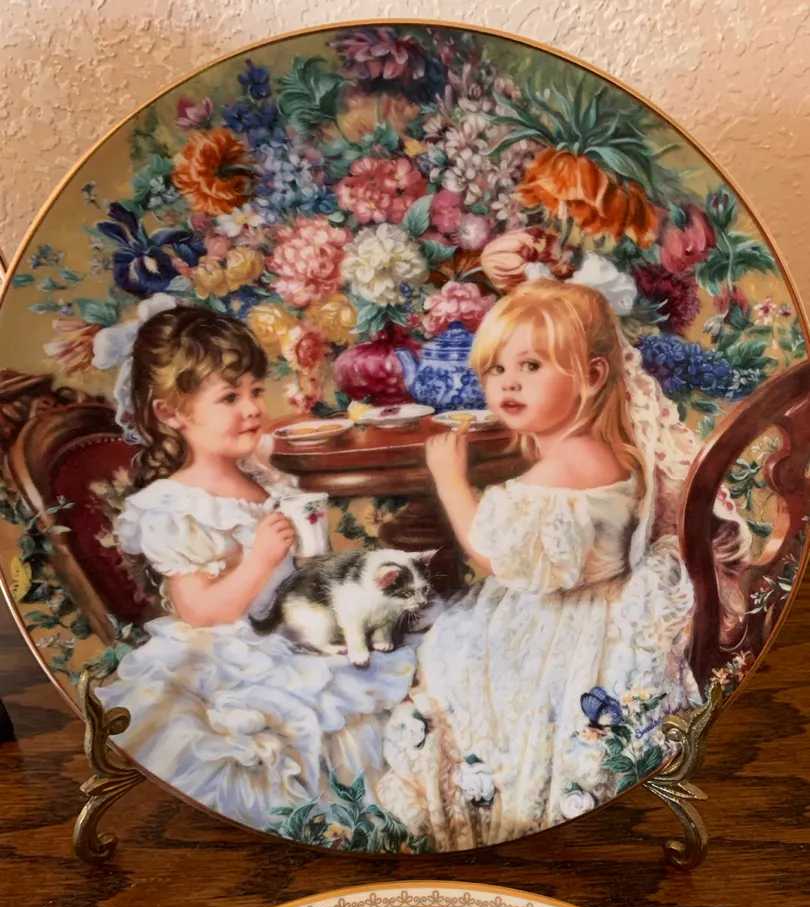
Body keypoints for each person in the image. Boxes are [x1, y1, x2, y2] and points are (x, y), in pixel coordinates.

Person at [378, 253, 749, 852]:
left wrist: (450, 480)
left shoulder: (569, 464)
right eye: (496, 368)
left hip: (564, 623)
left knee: (454, 661)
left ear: (594, 375)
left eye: (531, 365)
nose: (508, 383)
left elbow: (494, 554)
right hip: (579, 602)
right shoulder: (595, 449)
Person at [93, 298, 416, 833]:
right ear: (171, 413)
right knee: (290, 726)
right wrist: (258, 561)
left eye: (254, 391)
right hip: (235, 651)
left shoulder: (261, 473)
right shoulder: (175, 506)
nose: (250, 408)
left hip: (298, 626)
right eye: (229, 397)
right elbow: (199, 612)